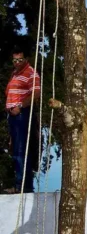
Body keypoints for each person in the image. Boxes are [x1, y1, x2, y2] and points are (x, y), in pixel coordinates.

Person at [5, 51, 41, 194]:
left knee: (21, 150)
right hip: (12, 115)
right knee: (15, 149)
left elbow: (36, 93)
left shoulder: (31, 73)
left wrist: (20, 107)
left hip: (21, 114)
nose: (17, 63)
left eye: (19, 60)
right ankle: (21, 184)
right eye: (14, 60)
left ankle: (22, 185)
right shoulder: (14, 73)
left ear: (25, 59)